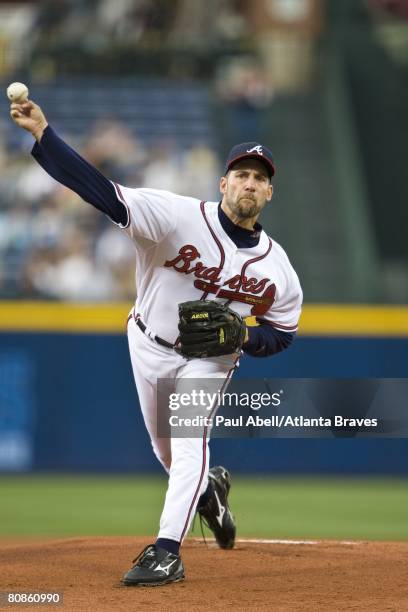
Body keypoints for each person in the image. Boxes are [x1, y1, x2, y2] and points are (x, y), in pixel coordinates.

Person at [10, 99, 302, 587]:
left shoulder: (279, 268)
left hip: (210, 360)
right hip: (147, 341)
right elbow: (101, 192)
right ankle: (209, 490)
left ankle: (166, 551)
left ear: (270, 192)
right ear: (223, 183)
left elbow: (283, 334)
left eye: (260, 177)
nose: (250, 183)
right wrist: (45, 136)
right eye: (242, 174)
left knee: (189, 444)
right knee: (170, 455)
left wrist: (245, 336)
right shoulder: (175, 216)